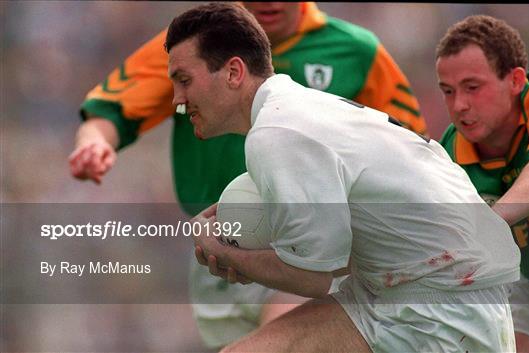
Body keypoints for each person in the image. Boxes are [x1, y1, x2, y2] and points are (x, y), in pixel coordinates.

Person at [68, 2, 428, 348]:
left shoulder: (357, 50)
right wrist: (94, 141)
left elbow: (407, 145)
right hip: (216, 242)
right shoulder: (196, 44)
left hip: (305, 250)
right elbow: (115, 103)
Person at [166, 3, 521, 352]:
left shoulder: (278, 132)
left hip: (441, 311)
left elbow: (312, 278)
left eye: (184, 80)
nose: (177, 99)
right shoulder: (295, 110)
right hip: (407, 290)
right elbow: (339, 255)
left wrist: (225, 253)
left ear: (233, 72)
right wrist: (259, 255)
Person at [436, 15, 529, 353]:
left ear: (515, 80)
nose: (459, 105)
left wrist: (487, 223)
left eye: (472, 87)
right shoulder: (451, 151)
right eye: (448, 91)